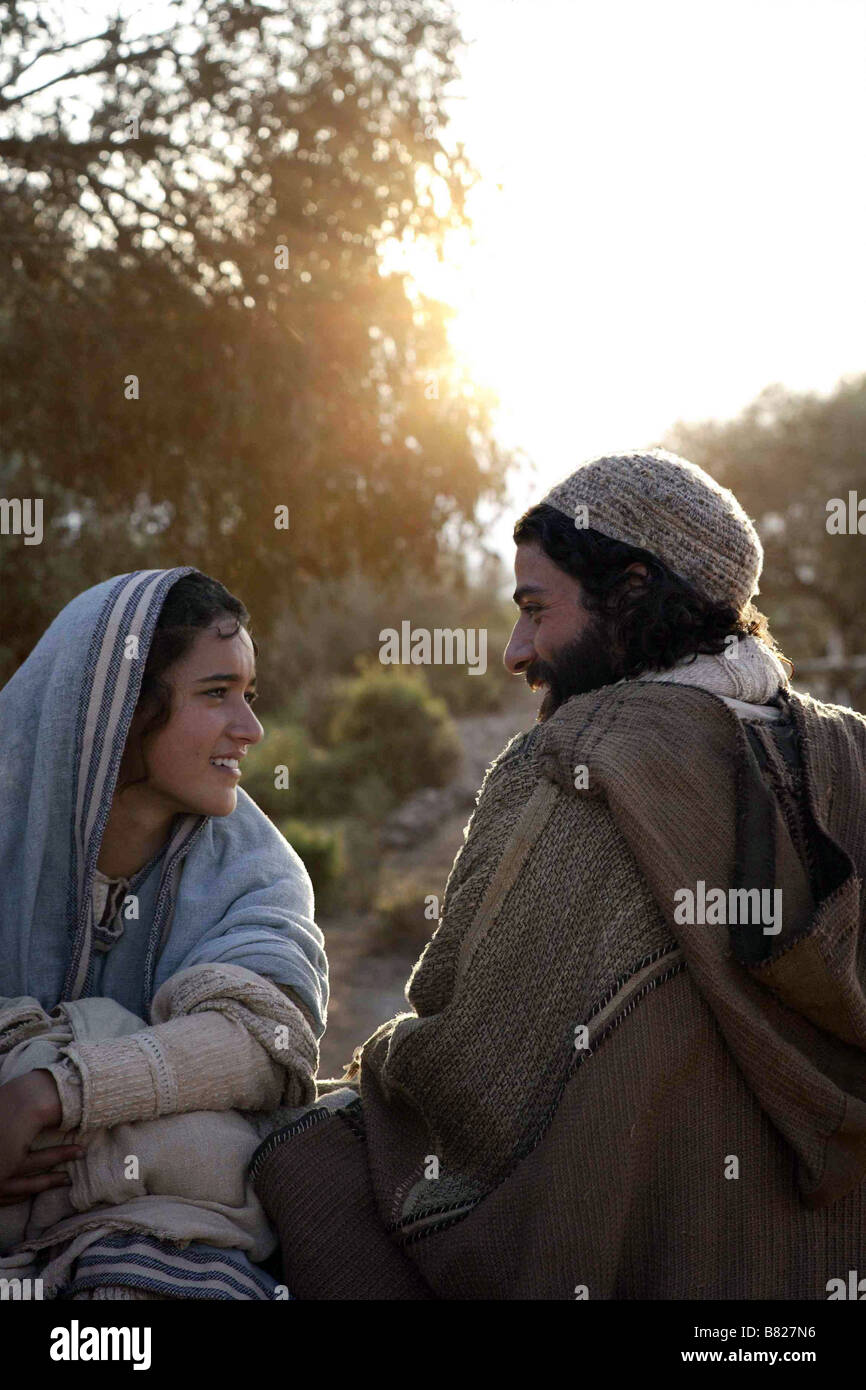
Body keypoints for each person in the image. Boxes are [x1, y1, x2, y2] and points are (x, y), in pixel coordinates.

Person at [250, 449, 866, 1300]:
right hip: (811, 1265)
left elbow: (462, 1068)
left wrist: (367, 1078)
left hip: (613, 1254)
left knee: (301, 1161)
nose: (516, 650)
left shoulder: (567, 770)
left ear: (633, 593)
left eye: (536, 611)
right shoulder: (845, 760)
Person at [0, 567, 328, 1300]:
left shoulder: (257, 870)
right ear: (120, 706)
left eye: (250, 694)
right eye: (216, 694)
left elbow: (262, 1043)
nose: (250, 729)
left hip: (165, 1233)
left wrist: (51, 1091)